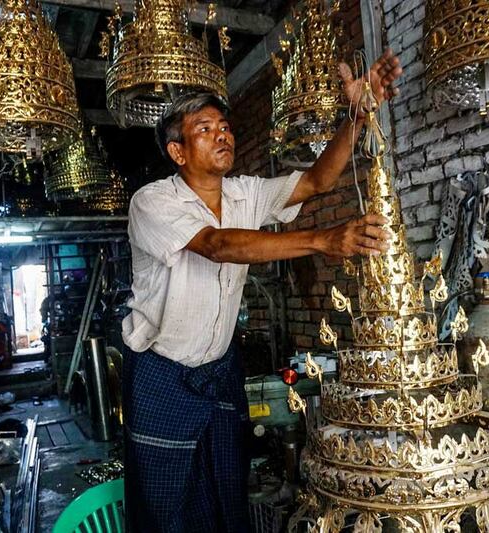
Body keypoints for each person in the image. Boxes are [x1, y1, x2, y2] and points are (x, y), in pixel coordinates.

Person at [122, 49, 402, 532]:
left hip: (219, 368)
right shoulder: (152, 201)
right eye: (204, 129)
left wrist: (358, 114)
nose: (222, 134)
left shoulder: (245, 194)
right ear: (177, 152)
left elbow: (315, 181)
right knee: (165, 506)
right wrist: (322, 240)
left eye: (224, 126)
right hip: (160, 374)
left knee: (227, 492)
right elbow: (217, 245)